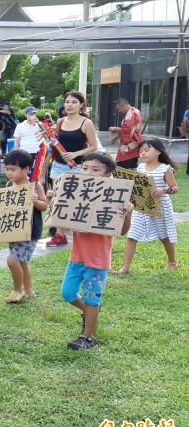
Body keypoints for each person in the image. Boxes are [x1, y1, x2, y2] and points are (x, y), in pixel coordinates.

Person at [52, 152, 133, 350]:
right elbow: (61, 222)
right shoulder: (78, 194)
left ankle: (88, 337)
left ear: (107, 176)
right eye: (85, 168)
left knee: (90, 298)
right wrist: (54, 200)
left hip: (97, 261)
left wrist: (127, 213)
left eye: (95, 170)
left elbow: (122, 231)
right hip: (77, 257)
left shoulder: (114, 199)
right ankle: (90, 312)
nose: (88, 172)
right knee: (67, 293)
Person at [39, 91, 98, 247]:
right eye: (67, 102)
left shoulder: (86, 123)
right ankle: (59, 235)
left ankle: (79, 234)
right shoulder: (60, 122)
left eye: (74, 102)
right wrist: (52, 144)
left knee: (76, 201)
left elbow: (93, 147)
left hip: (78, 166)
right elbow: (56, 143)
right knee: (57, 199)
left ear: (81, 105)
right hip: (58, 166)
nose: (70, 105)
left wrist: (75, 154)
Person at [115, 139, 179, 274]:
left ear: (158, 151)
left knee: (164, 235)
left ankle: (172, 261)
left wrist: (164, 190)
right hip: (141, 207)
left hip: (160, 207)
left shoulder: (165, 168)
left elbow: (175, 188)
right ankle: (125, 267)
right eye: (140, 151)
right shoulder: (140, 168)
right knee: (132, 235)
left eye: (146, 150)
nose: (142, 153)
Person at [2, 151, 48, 304]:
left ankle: (17, 290)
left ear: (26, 169)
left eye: (13, 169)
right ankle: (29, 290)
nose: (9, 172)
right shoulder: (9, 185)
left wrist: (35, 201)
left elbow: (44, 206)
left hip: (30, 232)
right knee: (22, 262)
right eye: (7, 169)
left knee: (12, 260)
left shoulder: (34, 186)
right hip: (13, 230)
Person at [107, 98, 142, 170]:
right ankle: (132, 181)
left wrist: (115, 129)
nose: (119, 111)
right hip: (135, 143)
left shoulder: (131, 114)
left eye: (119, 109)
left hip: (128, 147)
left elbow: (127, 130)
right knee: (133, 168)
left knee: (121, 169)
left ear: (124, 106)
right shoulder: (136, 111)